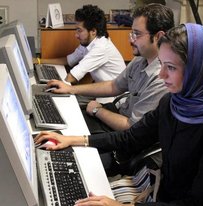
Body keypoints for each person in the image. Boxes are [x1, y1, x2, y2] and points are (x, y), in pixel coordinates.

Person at [35, 23, 203, 206]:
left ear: (197, 70)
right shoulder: (174, 102)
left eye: (171, 68)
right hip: (162, 201)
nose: (162, 75)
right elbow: (130, 138)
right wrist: (74, 140)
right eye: (162, 64)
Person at [46, 3, 174, 132]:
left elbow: (132, 128)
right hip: (118, 112)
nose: (131, 40)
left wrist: (97, 110)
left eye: (137, 34)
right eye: (132, 33)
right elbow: (114, 86)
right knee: (65, 120)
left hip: (123, 130)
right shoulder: (140, 59)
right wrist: (70, 89)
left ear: (159, 37)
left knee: (67, 129)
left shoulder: (162, 78)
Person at [34, 4, 126, 84]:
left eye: (79, 31)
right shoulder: (89, 42)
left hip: (112, 98)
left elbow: (72, 77)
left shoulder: (101, 47)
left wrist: (48, 87)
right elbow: (68, 60)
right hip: (101, 88)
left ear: (93, 31)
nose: (76, 35)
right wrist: (38, 61)